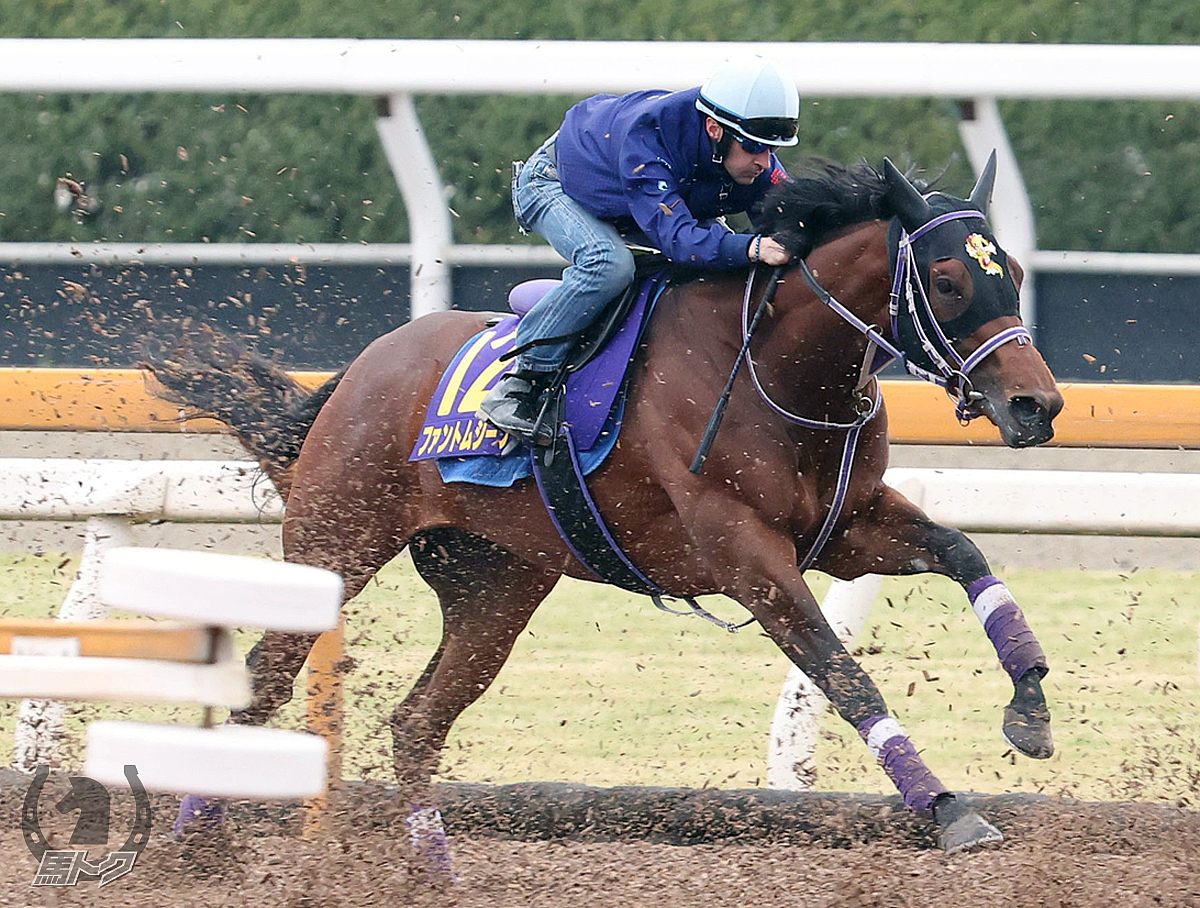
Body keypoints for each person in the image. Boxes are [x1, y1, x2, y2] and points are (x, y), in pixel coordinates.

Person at [479, 55, 799, 446]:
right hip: (555, 184)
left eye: (771, 149)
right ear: (715, 129)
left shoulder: (746, 148)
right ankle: (520, 384)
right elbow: (679, 238)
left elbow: (791, 215)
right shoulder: (648, 138)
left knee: (724, 266)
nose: (764, 163)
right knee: (609, 265)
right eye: (753, 148)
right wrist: (752, 246)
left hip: (642, 200)